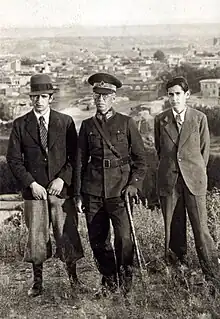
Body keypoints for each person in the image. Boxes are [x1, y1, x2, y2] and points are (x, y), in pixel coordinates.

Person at [7, 74, 84, 297]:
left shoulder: (65, 121)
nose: (38, 101)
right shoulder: (21, 124)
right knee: (37, 237)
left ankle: (74, 279)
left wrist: (62, 179)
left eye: (43, 96)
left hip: (61, 192)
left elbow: (74, 157)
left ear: (51, 98)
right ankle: (37, 282)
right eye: (34, 97)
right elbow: (14, 159)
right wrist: (31, 183)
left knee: (66, 233)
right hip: (35, 193)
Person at [75, 72, 146, 296]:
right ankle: (109, 281)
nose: (101, 100)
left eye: (106, 96)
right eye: (97, 95)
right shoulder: (87, 126)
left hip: (120, 190)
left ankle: (126, 281)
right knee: (98, 240)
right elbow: (79, 162)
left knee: (124, 238)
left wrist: (134, 184)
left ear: (114, 97)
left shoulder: (126, 123)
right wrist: (78, 194)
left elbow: (141, 160)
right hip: (94, 190)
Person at [154, 76, 220, 284]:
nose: (174, 99)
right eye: (171, 95)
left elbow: (204, 151)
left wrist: (193, 172)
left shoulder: (199, 118)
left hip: (194, 181)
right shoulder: (160, 120)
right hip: (170, 182)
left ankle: (212, 276)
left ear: (187, 95)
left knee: (201, 229)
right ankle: (178, 275)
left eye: (178, 94)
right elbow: (159, 150)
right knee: (174, 229)